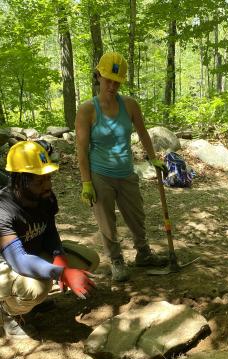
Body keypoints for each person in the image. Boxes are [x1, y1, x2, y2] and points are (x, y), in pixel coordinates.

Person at [75, 51, 167, 282]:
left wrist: (152, 157)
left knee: (136, 215)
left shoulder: (130, 105)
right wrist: (86, 182)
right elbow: (81, 150)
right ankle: (116, 260)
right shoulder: (88, 110)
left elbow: (143, 132)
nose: (113, 86)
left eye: (117, 82)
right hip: (100, 174)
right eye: (108, 80)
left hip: (126, 172)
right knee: (106, 220)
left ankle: (143, 252)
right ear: (98, 77)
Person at [0, 141, 99, 339]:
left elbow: (49, 229)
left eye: (48, 178)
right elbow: (19, 260)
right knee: (35, 288)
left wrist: (58, 254)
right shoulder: (3, 210)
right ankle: (10, 313)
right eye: (40, 181)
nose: (48, 185)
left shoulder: (45, 196)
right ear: (19, 181)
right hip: (8, 263)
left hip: (33, 252)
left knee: (89, 260)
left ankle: (35, 302)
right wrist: (62, 273)